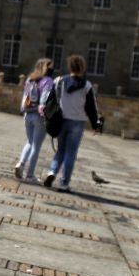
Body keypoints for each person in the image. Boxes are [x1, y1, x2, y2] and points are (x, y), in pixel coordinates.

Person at [42, 55, 103, 193]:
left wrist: (48, 117)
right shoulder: (87, 86)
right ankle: (64, 184)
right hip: (77, 122)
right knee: (71, 152)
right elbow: (91, 108)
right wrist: (95, 125)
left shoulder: (58, 81)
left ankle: (52, 172)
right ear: (82, 68)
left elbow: (49, 101)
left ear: (69, 66)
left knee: (61, 150)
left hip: (61, 119)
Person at [14, 58, 53, 181]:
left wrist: (23, 110)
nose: (52, 69)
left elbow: (25, 97)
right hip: (39, 116)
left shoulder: (30, 79)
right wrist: (44, 112)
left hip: (28, 114)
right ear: (46, 68)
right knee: (36, 145)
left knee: (30, 142)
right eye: (50, 67)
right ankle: (30, 175)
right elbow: (45, 99)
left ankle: (21, 163)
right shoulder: (48, 81)